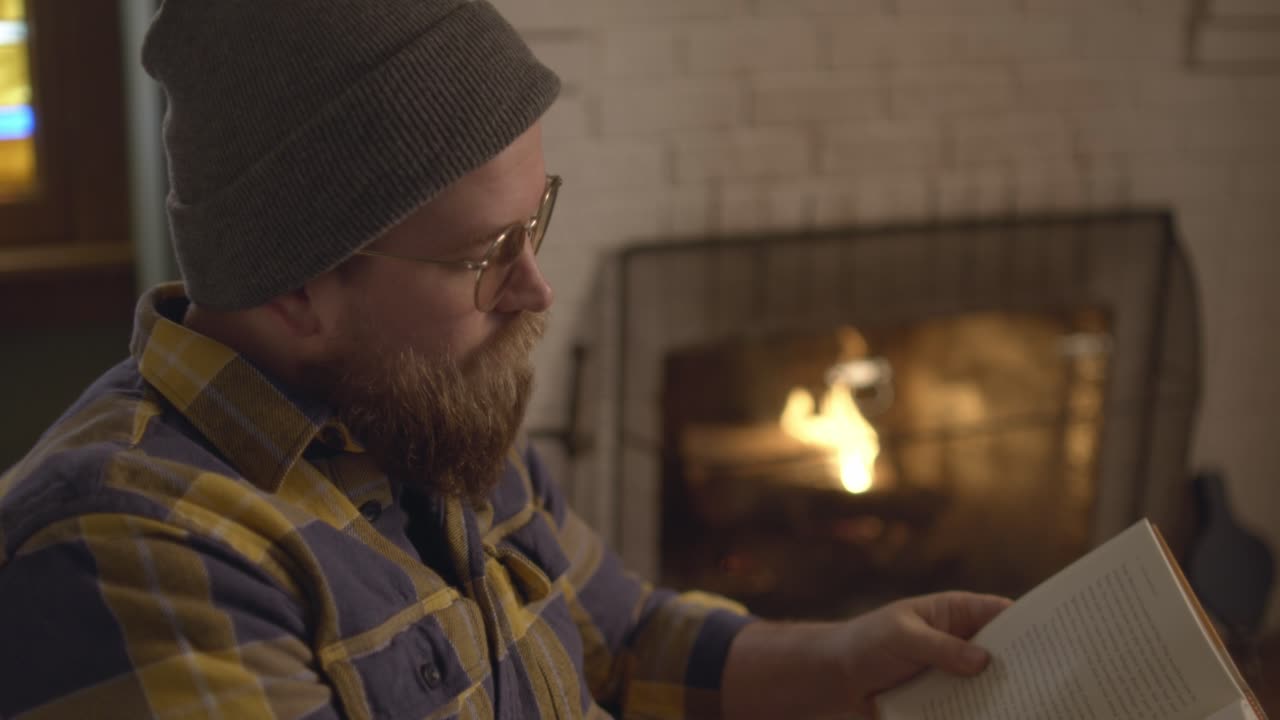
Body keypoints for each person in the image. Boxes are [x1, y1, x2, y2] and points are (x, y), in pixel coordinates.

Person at [0, 1, 1010, 717]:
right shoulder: (124, 553)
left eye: (535, 223)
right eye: (483, 254)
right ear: (293, 288)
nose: (535, 288)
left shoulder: (423, 406)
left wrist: (839, 659)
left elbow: (621, 639)